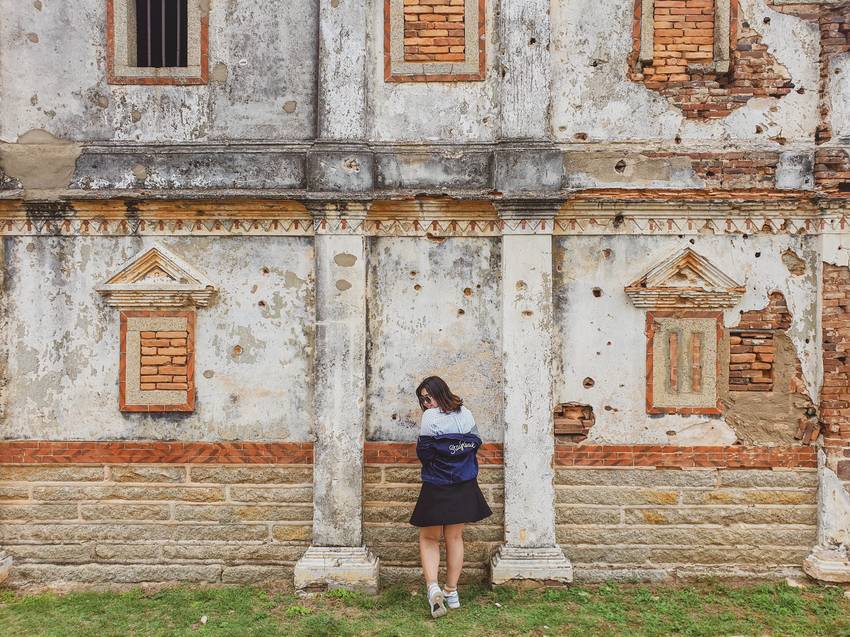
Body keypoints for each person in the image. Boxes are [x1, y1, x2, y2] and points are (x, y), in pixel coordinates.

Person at [409, 376, 492, 619]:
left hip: (437, 484)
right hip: (464, 483)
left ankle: (433, 587)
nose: (426, 404)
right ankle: (451, 593)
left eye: (428, 397)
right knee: (455, 537)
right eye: (422, 400)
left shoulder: (430, 418)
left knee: (429, 537)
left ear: (439, 393)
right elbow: (475, 443)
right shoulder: (466, 413)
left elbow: (424, 452)